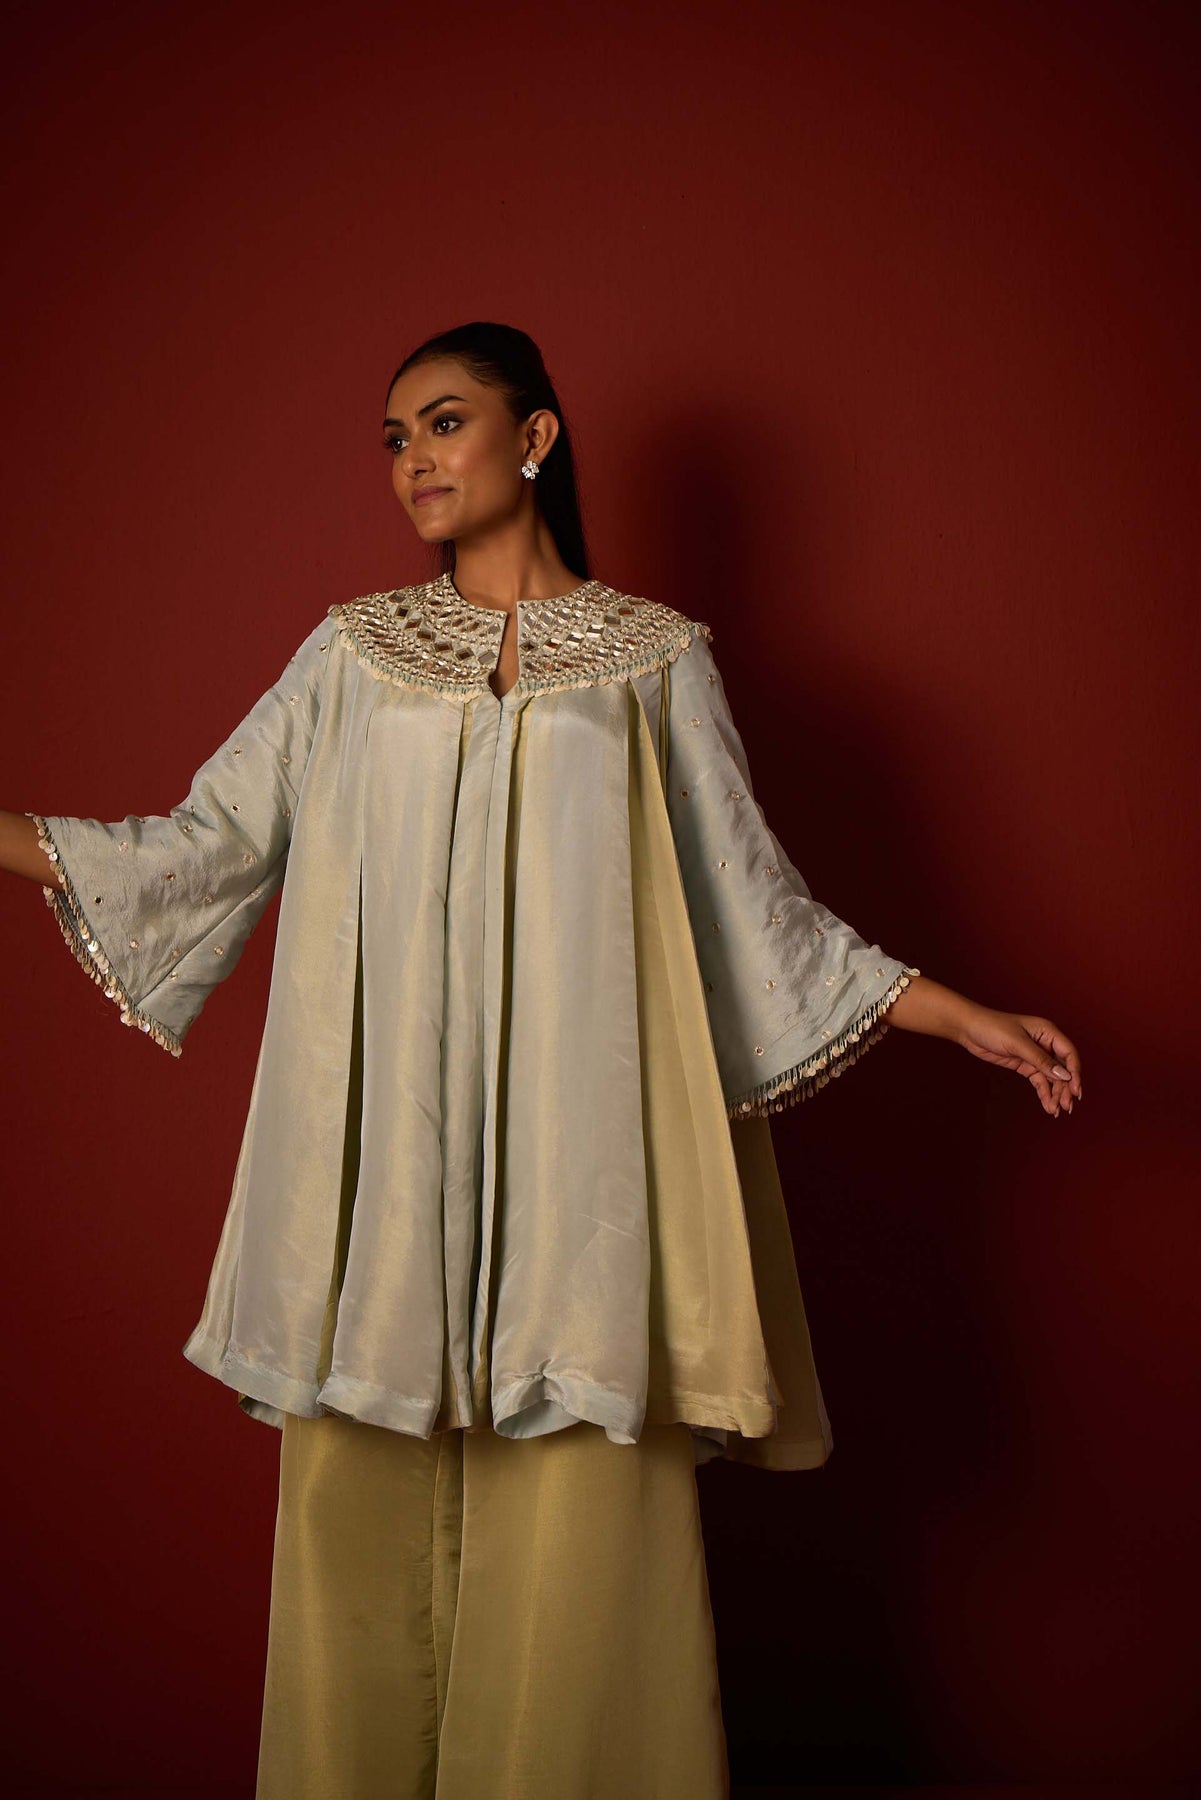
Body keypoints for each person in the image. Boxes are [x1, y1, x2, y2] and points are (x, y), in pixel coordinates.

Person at [0, 320, 1083, 1799]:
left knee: (581, 1550)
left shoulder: (655, 662)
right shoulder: (350, 656)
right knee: (359, 1546)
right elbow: (202, 847)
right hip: (383, 1198)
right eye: (394, 439)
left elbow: (749, 906)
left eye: (443, 423)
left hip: (578, 1189)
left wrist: (955, 1013)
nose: (413, 461)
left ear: (536, 437)